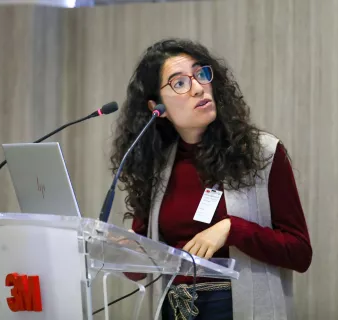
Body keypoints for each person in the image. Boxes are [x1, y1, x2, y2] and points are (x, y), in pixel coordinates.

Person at [110, 38, 312, 320]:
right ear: (158, 106)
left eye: (201, 74)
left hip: (236, 303)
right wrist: (126, 251)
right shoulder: (157, 167)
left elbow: (300, 253)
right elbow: (144, 267)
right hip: (176, 305)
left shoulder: (262, 153)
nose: (197, 88)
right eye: (179, 83)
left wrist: (232, 229)